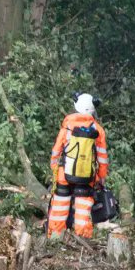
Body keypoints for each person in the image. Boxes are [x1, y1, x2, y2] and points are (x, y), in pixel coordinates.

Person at [47, 93, 109, 239]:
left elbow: (56, 150)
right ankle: (82, 239)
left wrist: (54, 169)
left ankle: (56, 237)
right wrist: (101, 176)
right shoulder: (98, 130)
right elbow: (102, 157)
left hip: (64, 174)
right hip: (87, 176)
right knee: (83, 211)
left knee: (60, 207)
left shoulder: (67, 126)